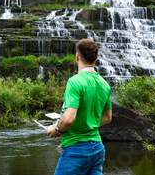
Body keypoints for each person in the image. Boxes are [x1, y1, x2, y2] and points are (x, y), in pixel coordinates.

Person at [46, 39, 112, 175]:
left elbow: (69, 119)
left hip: (76, 150)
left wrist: (57, 129)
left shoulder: (75, 82)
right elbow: (107, 118)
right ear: (96, 58)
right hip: (97, 149)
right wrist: (87, 124)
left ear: (77, 56)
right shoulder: (105, 84)